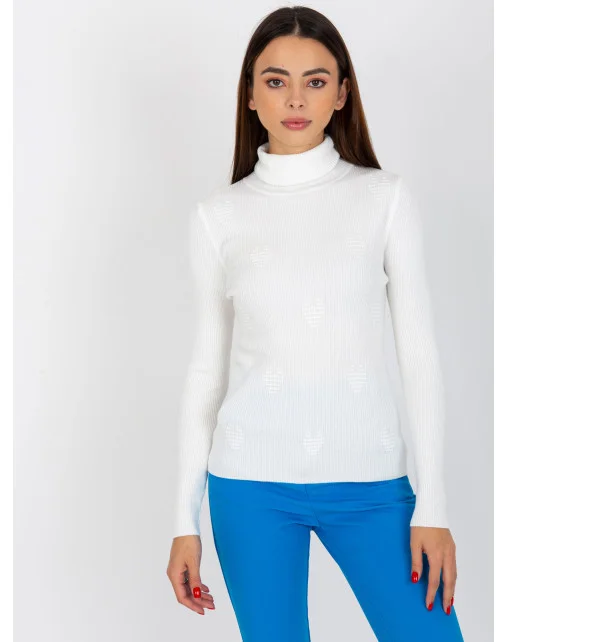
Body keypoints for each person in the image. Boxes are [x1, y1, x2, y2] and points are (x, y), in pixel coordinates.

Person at [166, 6, 465, 641]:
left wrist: (433, 508)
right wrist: (183, 522)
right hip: (248, 486)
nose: (296, 99)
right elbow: (206, 374)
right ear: (251, 94)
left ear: (342, 93)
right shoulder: (217, 217)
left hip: (372, 485)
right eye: (276, 81)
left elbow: (419, 358)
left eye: (316, 81)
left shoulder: (385, 198)